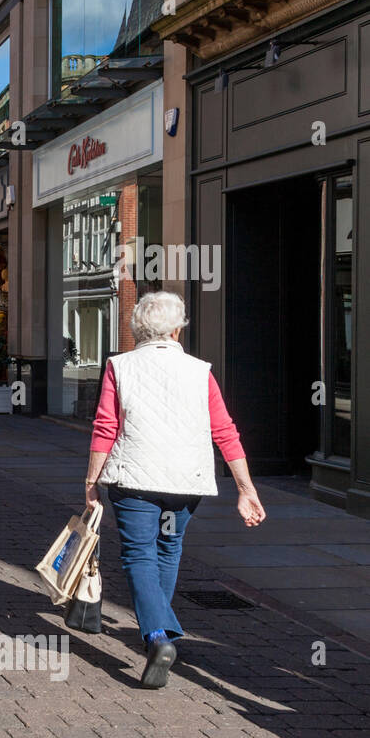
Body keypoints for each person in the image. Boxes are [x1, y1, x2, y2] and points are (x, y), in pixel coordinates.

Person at [86, 291, 266, 688]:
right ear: (176, 329)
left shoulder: (120, 366)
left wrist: (91, 481)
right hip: (186, 483)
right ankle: (161, 631)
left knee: (138, 554)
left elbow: (105, 428)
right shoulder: (200, 371)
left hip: (135, 480)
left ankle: (156, 636)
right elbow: (225, 430)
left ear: (137, 329)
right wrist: (245, 487)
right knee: (168, 546)